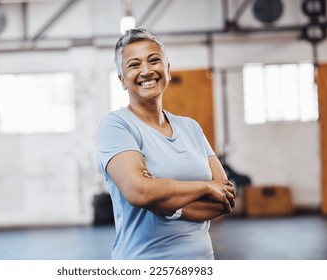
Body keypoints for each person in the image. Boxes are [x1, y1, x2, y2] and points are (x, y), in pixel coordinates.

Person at [97, 27, 236, 260]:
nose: (146, 70)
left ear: (168, 70)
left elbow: (225, 200)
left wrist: (168, 204)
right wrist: (204, 187)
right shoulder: (117, 125)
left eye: (154, 60)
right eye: (134, 64)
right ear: (122, 80)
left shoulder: (190, 127)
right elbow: (139, 191)